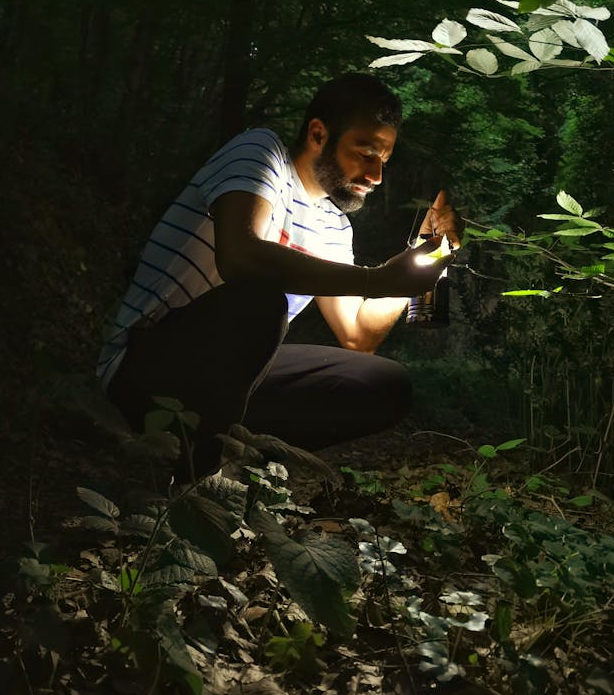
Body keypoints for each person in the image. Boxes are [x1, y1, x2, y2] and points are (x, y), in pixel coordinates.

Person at [97, 73, 463, 475]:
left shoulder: (333, 227)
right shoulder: (261, 152)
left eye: (384, 161)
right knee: (260, 298)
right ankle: (192, 478)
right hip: (145, 364)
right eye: (365, 153)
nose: (376, 176)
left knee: (383, 384)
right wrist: (376, 280)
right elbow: (239, 257)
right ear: (319, 135)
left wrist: (419, 260)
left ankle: (230, 454)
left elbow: (358, 335)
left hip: (231, 380)